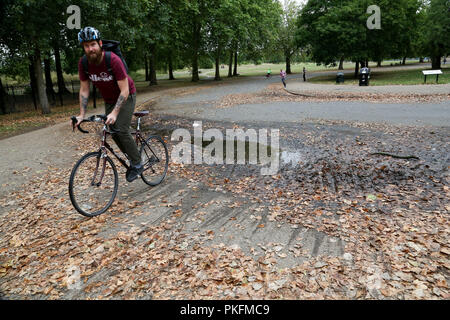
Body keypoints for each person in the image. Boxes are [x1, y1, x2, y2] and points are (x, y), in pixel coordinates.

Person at [75, 26, 143, 182]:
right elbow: (84, 90)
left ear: (99, 43)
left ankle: (137, 162)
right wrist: (81, 115)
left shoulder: (112, 60)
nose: (90, 48)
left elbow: (124, 90)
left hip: (126, 95)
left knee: (121, 128)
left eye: (93, 44)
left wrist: (114, 113)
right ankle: (131, 154)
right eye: (86, 46)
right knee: (113, 130)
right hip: (110, 99)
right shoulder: (84, 63)